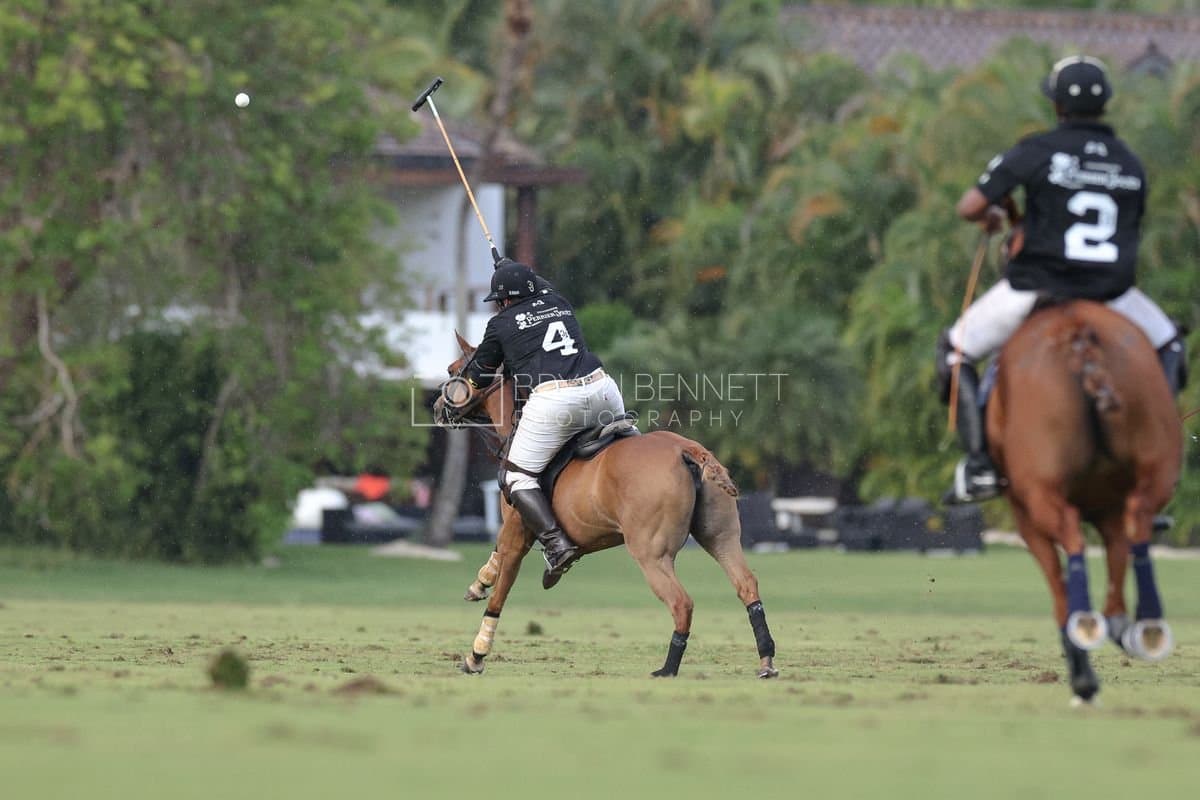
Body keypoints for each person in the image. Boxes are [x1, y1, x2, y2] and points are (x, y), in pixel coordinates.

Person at [938, 55, 1188, 505]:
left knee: (955, 351)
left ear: (1056, 106)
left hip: (1039, 286)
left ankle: (978, 467)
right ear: (1104, 106)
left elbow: (969, 206)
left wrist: (995, 215)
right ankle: (1158, 459)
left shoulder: (1036, 150)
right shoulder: (1130, 163)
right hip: (1113, 294)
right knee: (1170, 345)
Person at [462, 258, 626, 588]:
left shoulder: (501, 324)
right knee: (626, 443)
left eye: (499, 300)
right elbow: (540, 286)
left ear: (505, 301)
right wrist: (510, 269)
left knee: (516, 476)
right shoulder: (558, 302)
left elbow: (479, 376)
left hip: (556, 399)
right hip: (602, 388)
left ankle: (556, 543)